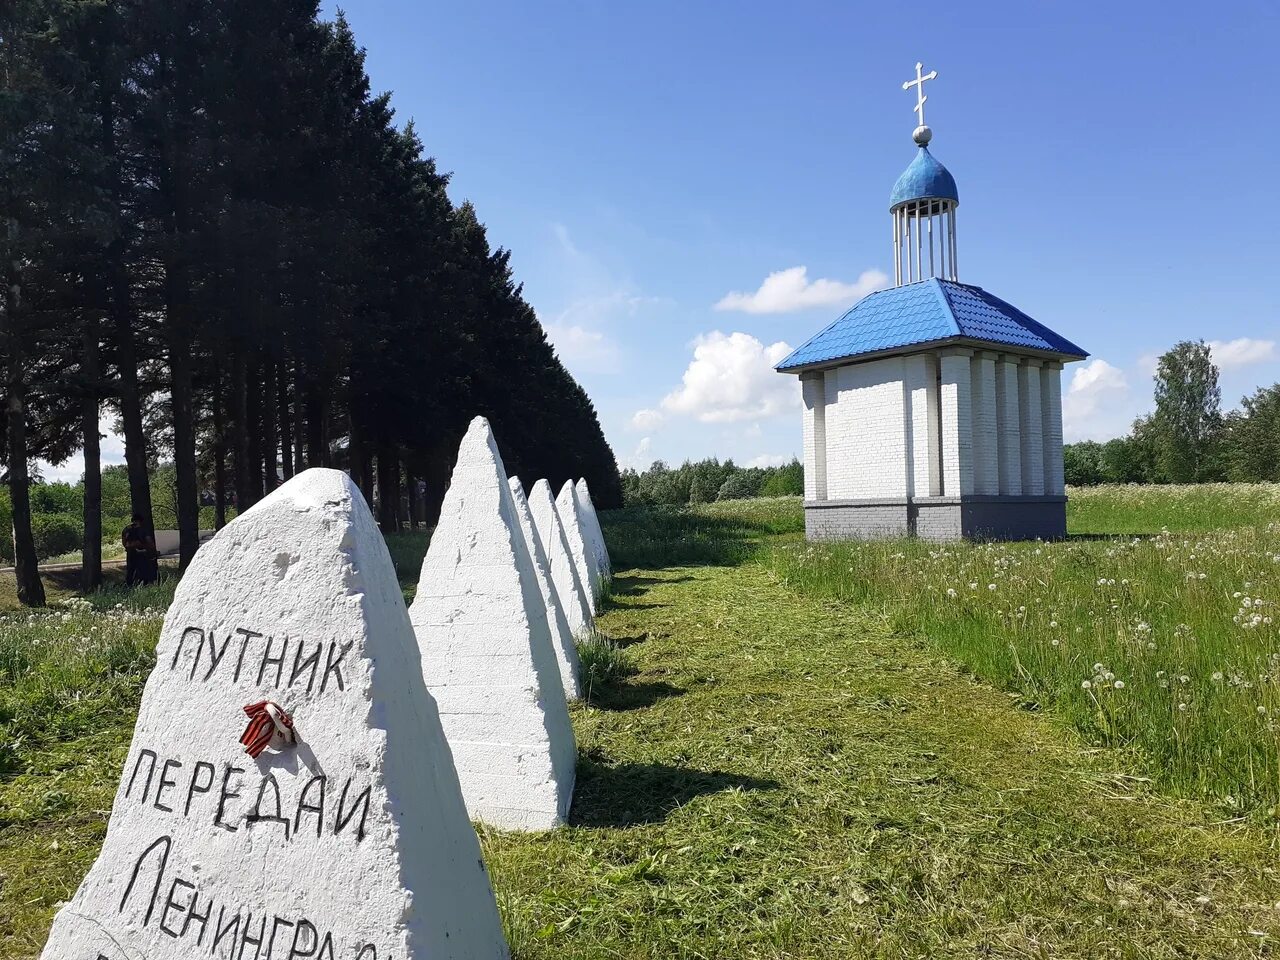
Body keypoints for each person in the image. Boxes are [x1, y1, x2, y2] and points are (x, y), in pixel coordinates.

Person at [122, 514, 158, 586]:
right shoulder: (143, 529)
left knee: (130, 569)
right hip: (142, 552)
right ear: (141, 521)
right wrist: (153, 550)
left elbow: (124, 541)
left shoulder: (126, 529)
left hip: (130, 551)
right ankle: (143, 584)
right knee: (143, 569)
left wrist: (128, 548)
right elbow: (149, 541)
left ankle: (129, 585)